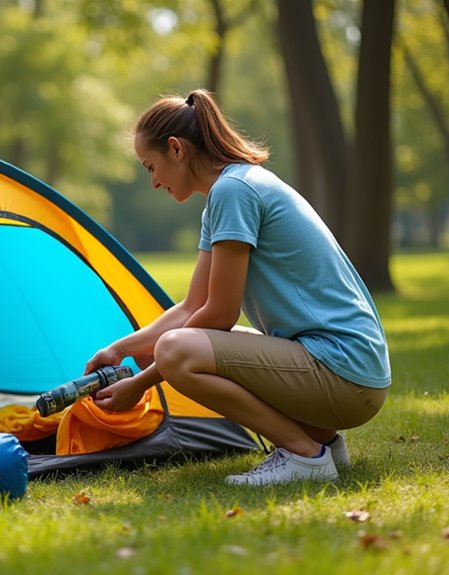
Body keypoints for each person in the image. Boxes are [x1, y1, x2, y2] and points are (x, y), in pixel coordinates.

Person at [86, 89, 391, 486]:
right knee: (178, 344)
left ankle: (304, 456)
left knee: (177, 350)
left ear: (176, 149)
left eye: (150, 167)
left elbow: (219, 315)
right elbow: (192, 305)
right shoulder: (227, 193)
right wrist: (121, 349)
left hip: (345, 374)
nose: (154, 182)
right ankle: (323, 443)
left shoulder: (235, 192)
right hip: (351, 375)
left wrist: (140, 384)